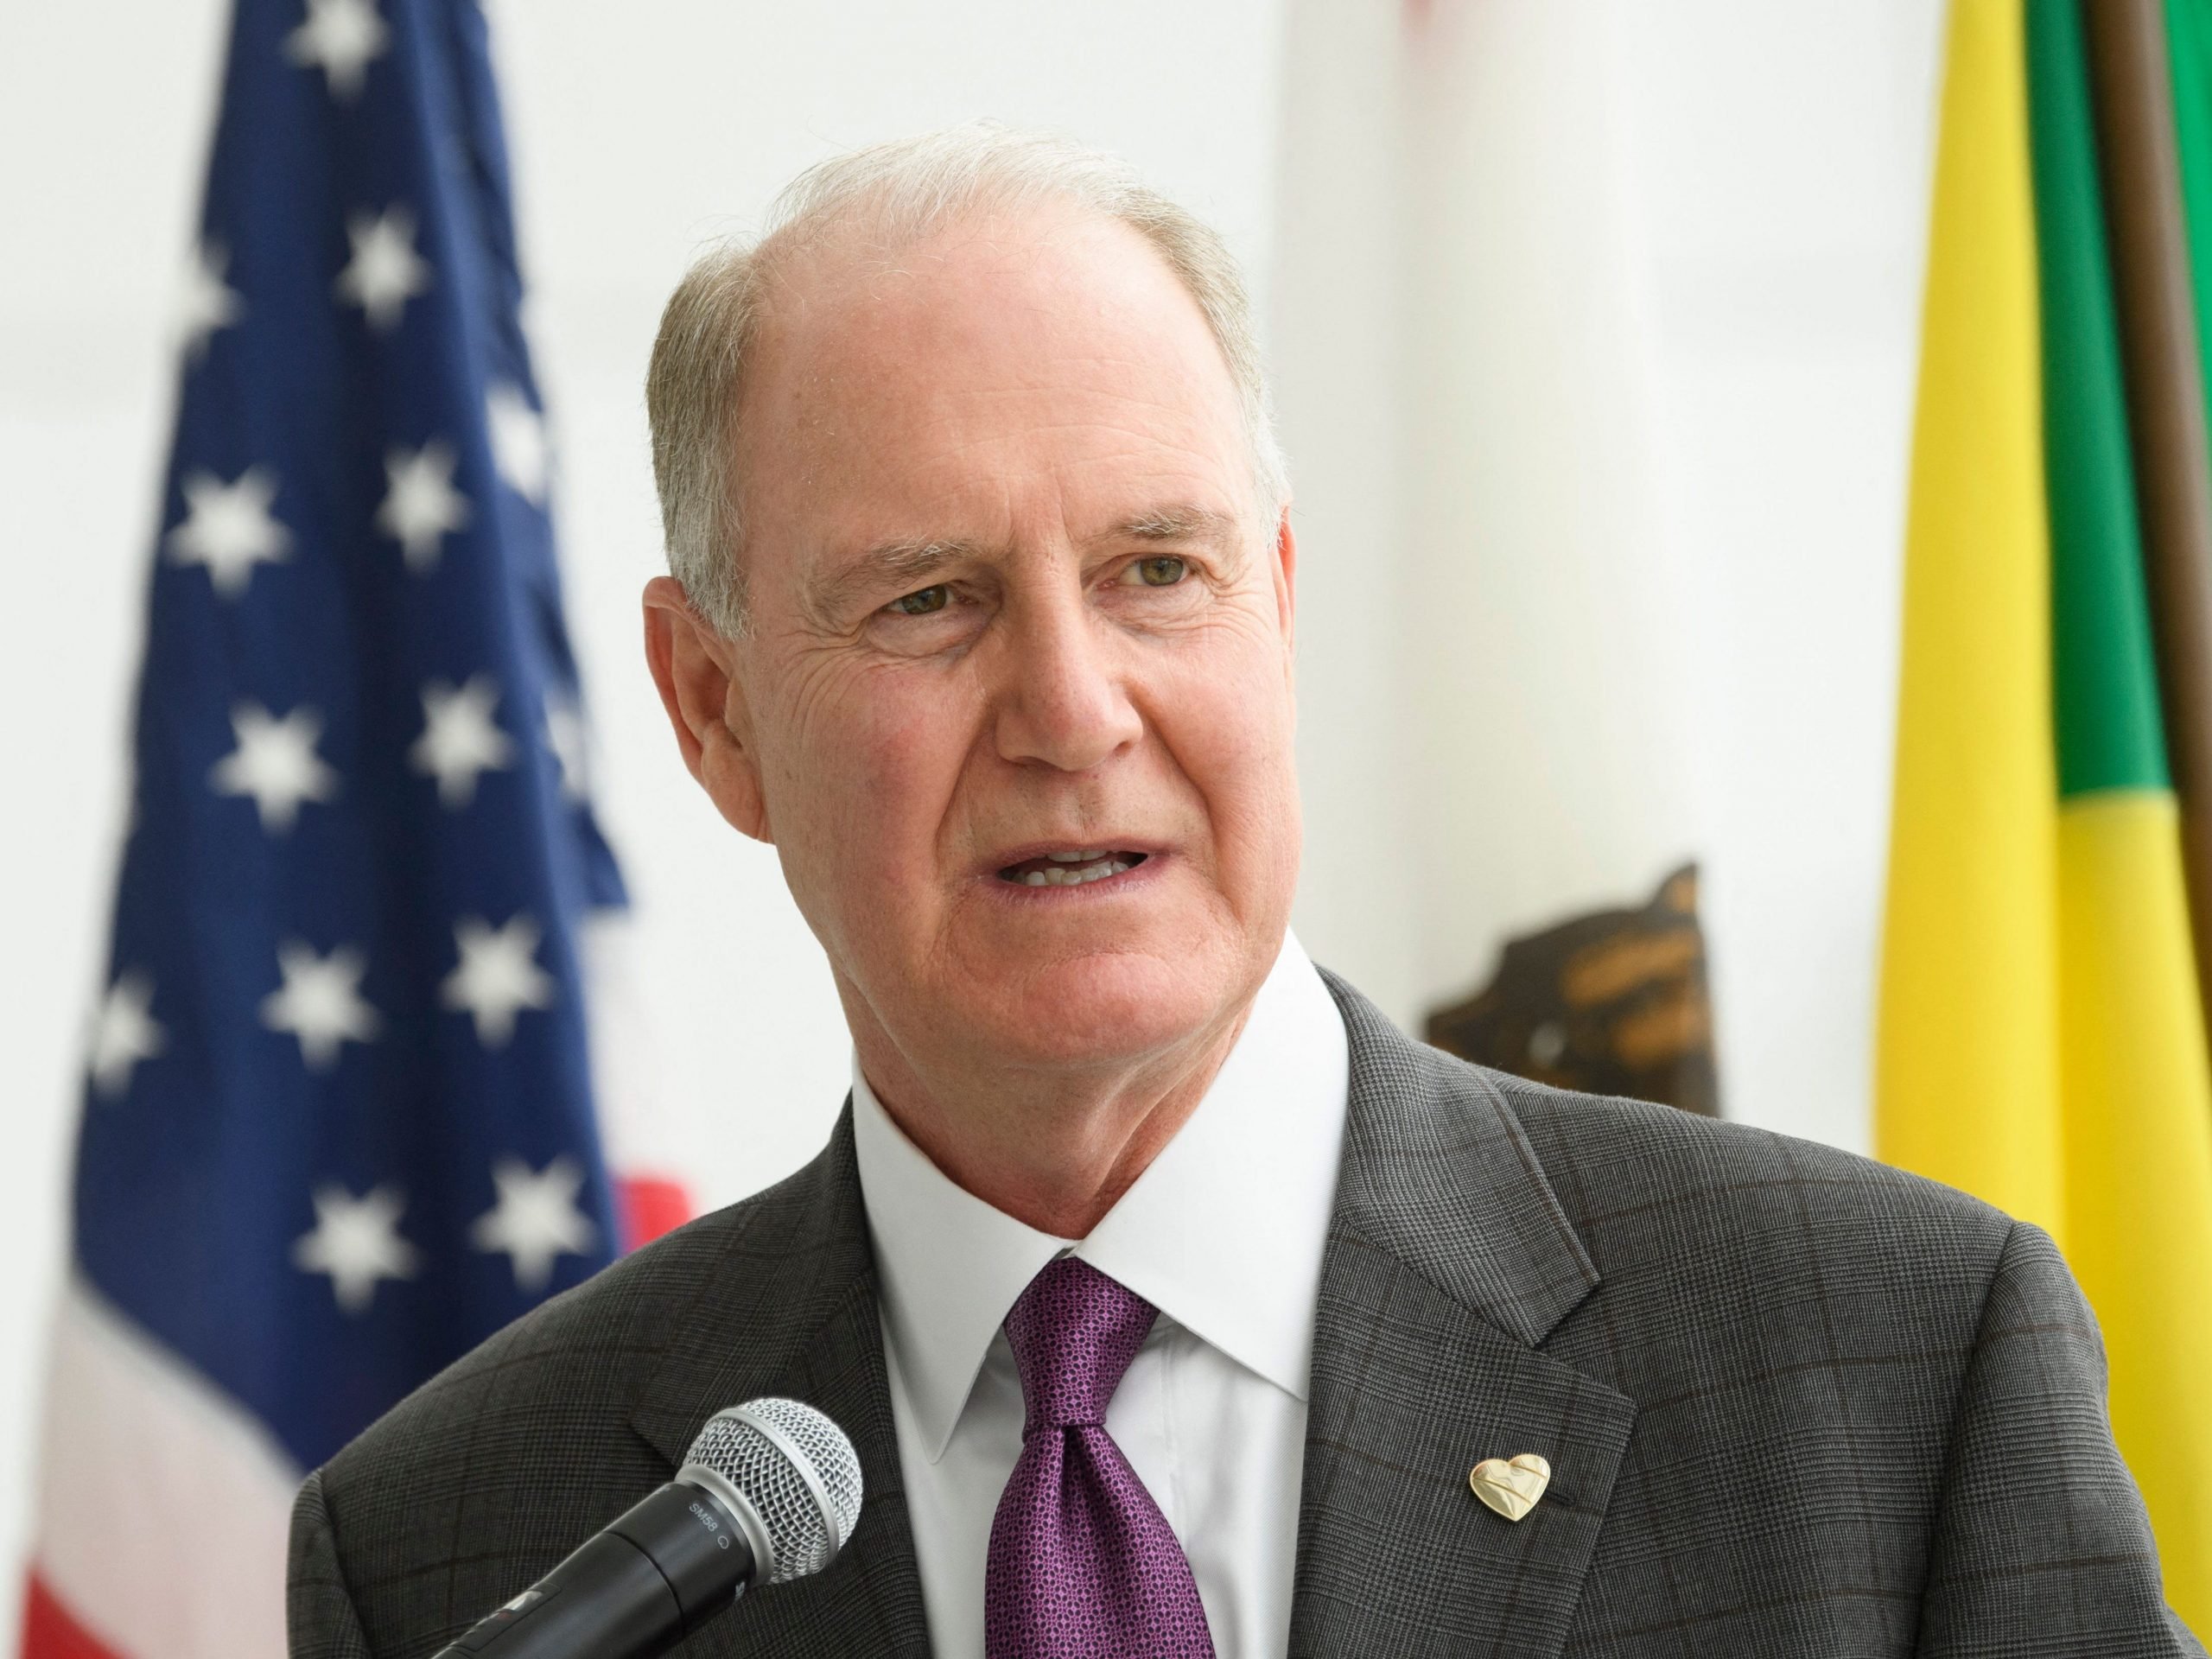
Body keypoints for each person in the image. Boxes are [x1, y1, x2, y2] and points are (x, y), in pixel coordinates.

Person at [288, 125, 2201, 1659]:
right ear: (712, 710)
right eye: (928, 599)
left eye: (1153, 571)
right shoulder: (462, 1550)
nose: (1068, 705)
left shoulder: (1884, 1373)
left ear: (1275, 601)